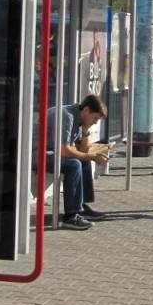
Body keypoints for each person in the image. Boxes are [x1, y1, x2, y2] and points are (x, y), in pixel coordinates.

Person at [46, 94, 109, 230]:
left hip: (52, 153)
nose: (95, 123)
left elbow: (83, 151)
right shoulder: (66, 116)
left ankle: (81, 207)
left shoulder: (79, 119)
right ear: (86, 110)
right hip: (37, 154)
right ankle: (71, 215)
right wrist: (92, 157)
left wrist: (85, 131)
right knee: (74, 164)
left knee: (83, 159)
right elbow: (63, 150)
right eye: (95, 118)